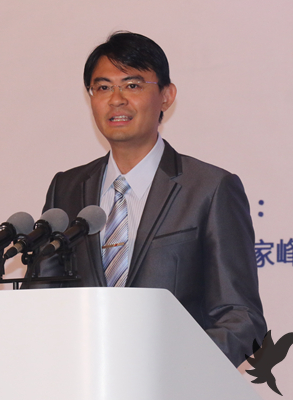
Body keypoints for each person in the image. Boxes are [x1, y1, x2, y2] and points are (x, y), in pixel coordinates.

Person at [40, 31, 266, 367]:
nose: (116, 99)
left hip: (173, 380)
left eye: (132, 85)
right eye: (103, 87)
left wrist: (171, 368)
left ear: (166, 95)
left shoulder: (209, 188)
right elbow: (42, 300)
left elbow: (242, 320)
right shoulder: (67, 188)